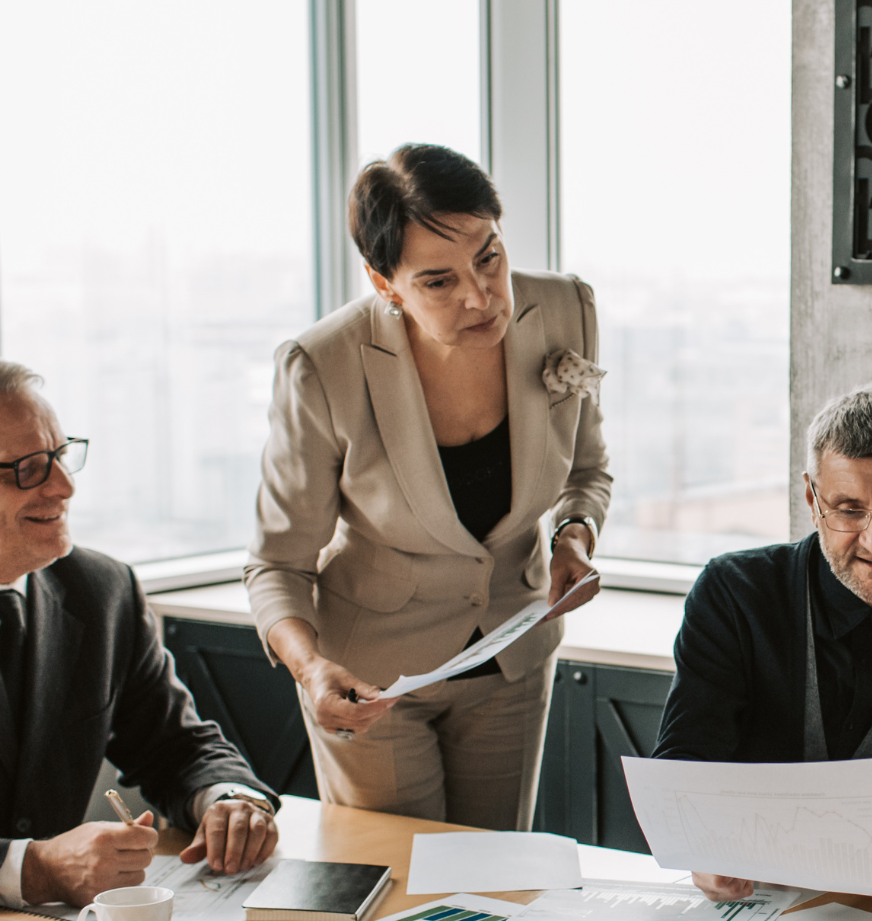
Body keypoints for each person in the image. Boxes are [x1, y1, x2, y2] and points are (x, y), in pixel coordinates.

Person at [247, 144, 611, 828]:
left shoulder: (566, 309)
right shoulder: (322, 365)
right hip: (373, 681)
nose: (479, 295)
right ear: (384, 284)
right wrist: (310, 668)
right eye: (438, 282)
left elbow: (587, 470)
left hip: (511, 658)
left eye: (489, 257)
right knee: (398, 891)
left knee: (497, 889)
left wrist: (573, 535)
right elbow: (276, 562)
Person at [0, 356, 278, 918]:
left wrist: (228, 798)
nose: (63, 486)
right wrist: (31, 867)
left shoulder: (101, 590)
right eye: (26, 468)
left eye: (59, 456)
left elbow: (173, 744)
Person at [652, 387, 872, 901]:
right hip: (758, 907)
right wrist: (703, 849)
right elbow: (684, 763)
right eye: (849, 511)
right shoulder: (733, 593)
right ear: (812, 499)